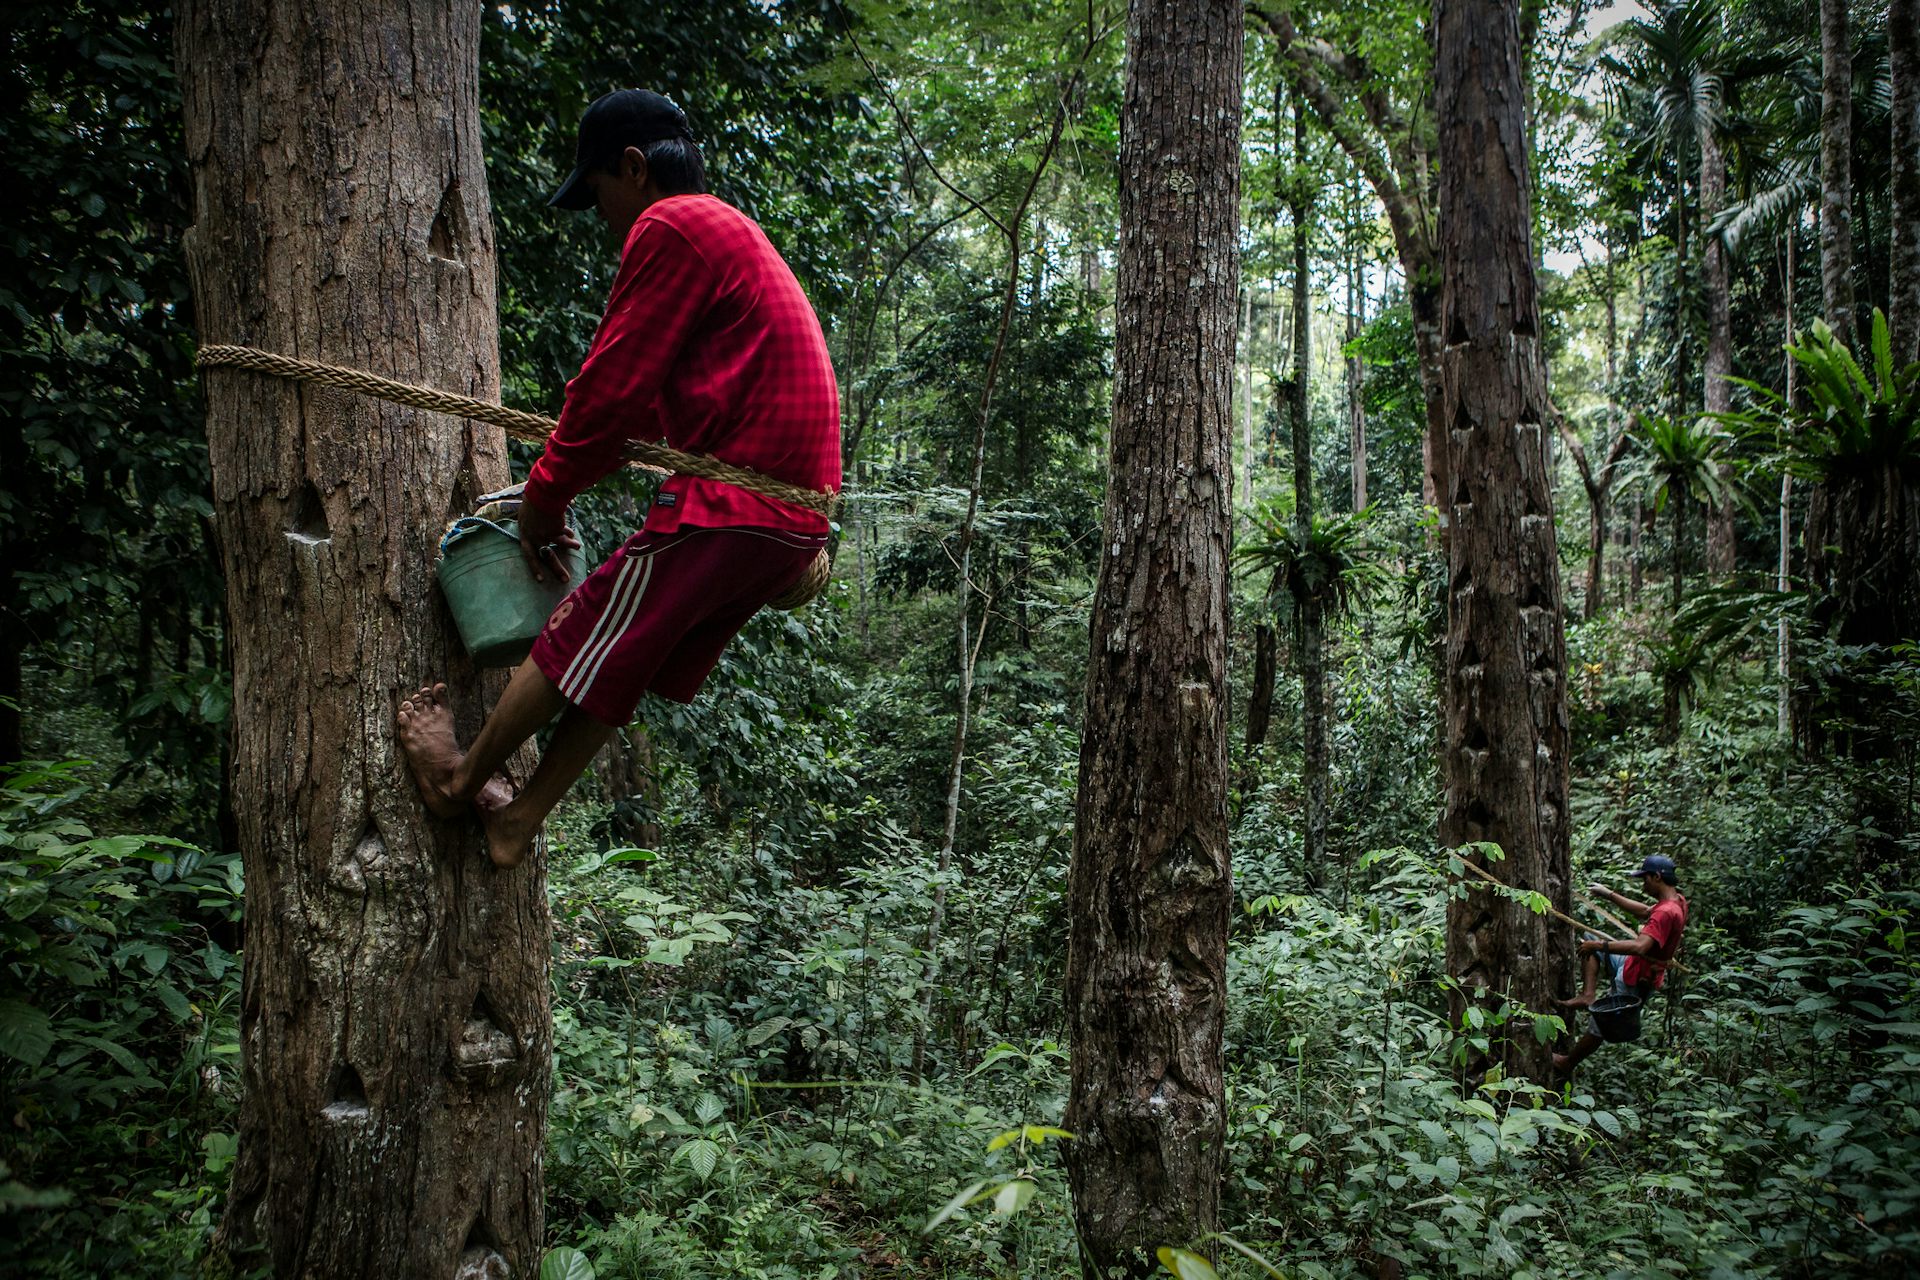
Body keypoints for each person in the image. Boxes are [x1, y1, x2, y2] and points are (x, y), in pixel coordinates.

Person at [397, 89, 840, 868]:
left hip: (732, 505)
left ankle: (461, 782)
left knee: (579, 631)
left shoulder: (674, 223)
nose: (603, 218)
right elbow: (639, 422)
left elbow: (609, 391)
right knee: (626, 652)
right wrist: (567, 480)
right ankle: (518, 821)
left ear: (633, 169)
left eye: (599, 193)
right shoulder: (733, 232)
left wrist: (543, 499)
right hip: (783, 518)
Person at [1552, 854, 1689, 1076]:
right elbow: (1645, 911)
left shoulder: (1666, 912)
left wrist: (1599, 944)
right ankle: (1588, 994)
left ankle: (1568, 1062)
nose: (1643, 884)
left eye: (1645, 879)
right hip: (1632, 965)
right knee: (1591, 942)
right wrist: (1609, 894)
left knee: (1601, 1023)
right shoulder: (1676, 902)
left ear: (1657, 877)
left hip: (1637, 977)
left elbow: (1639, 947)